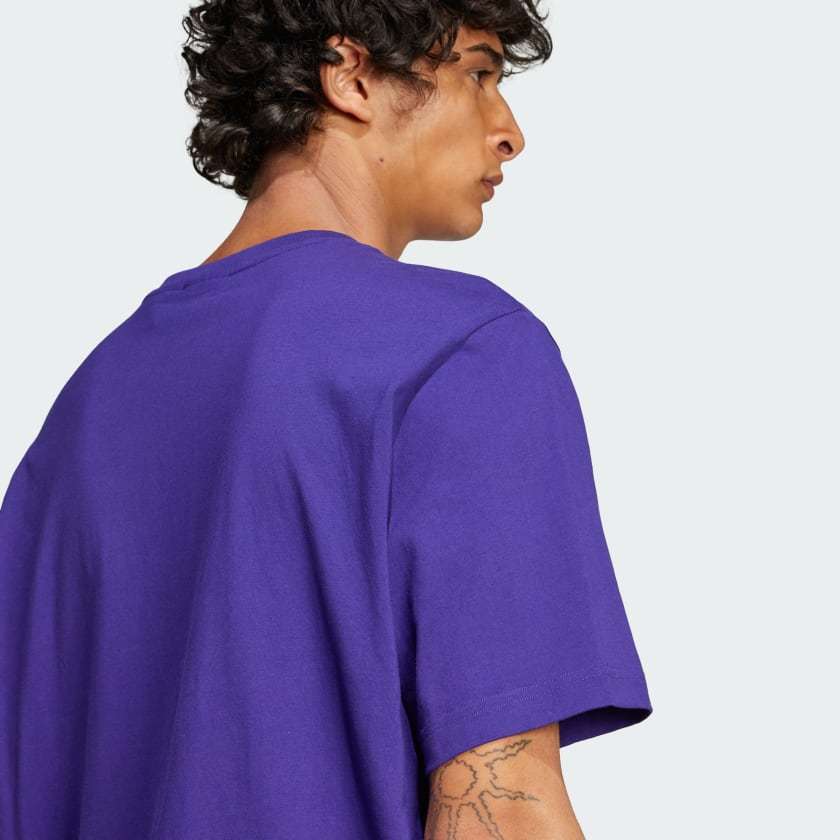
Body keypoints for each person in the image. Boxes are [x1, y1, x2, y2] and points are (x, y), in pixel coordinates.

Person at [0, 2, 653, 838]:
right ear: (352, 76)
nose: (509, 132)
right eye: (478, 75)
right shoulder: (460, 351)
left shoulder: (86, 408)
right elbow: (501, 804)